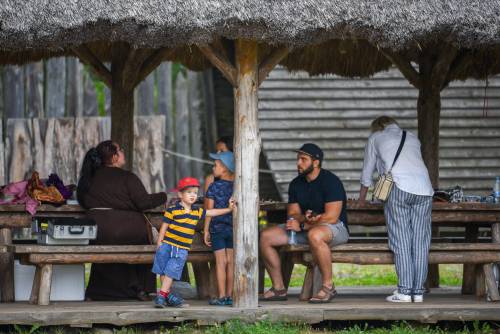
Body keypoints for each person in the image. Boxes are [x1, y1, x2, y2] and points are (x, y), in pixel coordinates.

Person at [77, 140, 167, 301]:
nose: (123, 153)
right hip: (128, 230)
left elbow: (83, 201)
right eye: (121, 150)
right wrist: (163, 196)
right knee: (143, 241)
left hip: (96, 232)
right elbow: (143, 203)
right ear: (113, 157)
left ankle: (101, 291)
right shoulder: (127, 177)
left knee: (112, 242)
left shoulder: (89, 177)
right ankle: (141, 289)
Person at [260, 143, 349, 303]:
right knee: (266, 236)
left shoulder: (331, 181)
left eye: (303, 159)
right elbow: (293, 213)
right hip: (307, 229)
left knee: (315, 234)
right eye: (298, 159)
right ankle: (279, 288)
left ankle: (328, 286)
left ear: (316, 162)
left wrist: (303, 225)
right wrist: (302, 219)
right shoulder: (296, 183)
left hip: (335, 229)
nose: (298, 163)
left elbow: (331, 217)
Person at [359, 116, 433, 303]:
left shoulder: (376, 137)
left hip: (399, 187)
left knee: (401, 240)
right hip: (425, 189)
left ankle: (404, 291)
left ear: (377, 127)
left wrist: (361, 199)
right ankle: (418, 292)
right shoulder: (413, 137)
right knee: (420, 242)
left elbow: (367, 172)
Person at [153, 177, 235, 308]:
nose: (193, 195)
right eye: (189, 192)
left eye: (195, 193)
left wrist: (228, 209)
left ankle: (161, 296)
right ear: (180, 194)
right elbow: (164, 226)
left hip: (180, 249)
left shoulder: (197, 211)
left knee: (170, 272)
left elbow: (211, 212)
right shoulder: (172, 210)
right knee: (163, 271)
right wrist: (160, 242)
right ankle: (168, 296)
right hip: (167, 245)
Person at [203, 151, 235, 306]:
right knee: (231, 262)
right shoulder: (239, 187)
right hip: (233, 230)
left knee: (221, 263)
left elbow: (208, 211)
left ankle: (222, 296)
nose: (213, 168)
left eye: (215, 165)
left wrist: (206, 230)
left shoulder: (213, 187)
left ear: (225, 168)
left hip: (217, 230)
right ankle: (230, 295)